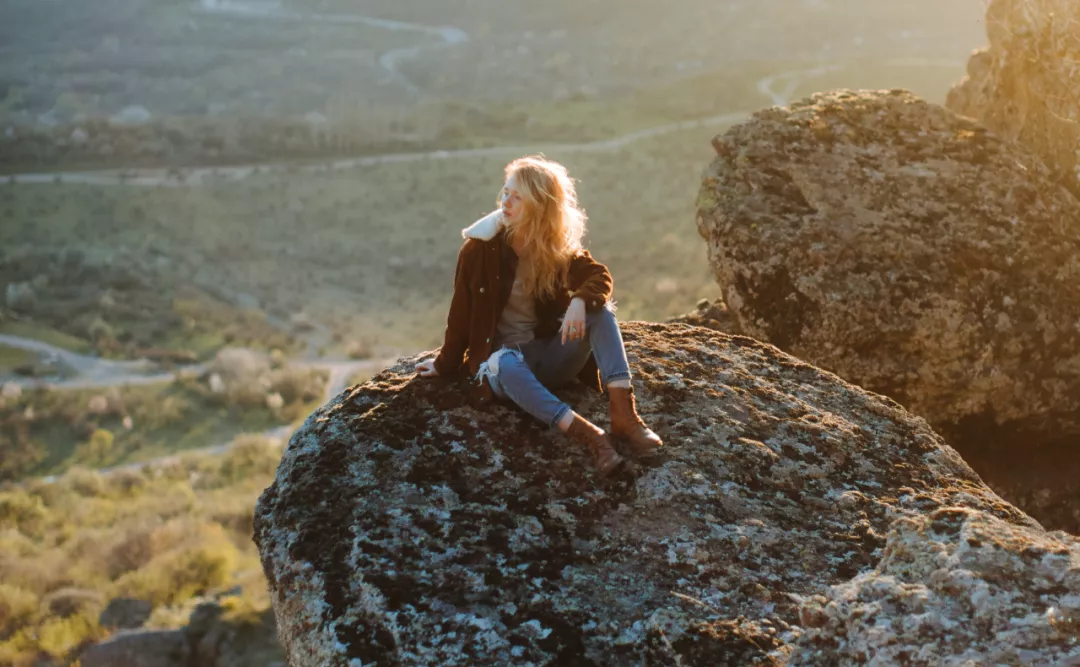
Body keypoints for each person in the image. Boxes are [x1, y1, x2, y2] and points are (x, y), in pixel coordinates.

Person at [414, 155, 662, 475]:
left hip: (549, 357)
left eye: (518, 197)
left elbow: (599, 277)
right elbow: (460, 315)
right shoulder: (479, 250)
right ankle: (592, 437)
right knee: (504, 361)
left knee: (601, 314)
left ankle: (624, 417)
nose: (506, 202)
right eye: (505, 193)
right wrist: (444, 364)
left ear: (540, 206)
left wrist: (580, 302)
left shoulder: (555, 245)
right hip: (505, 370)